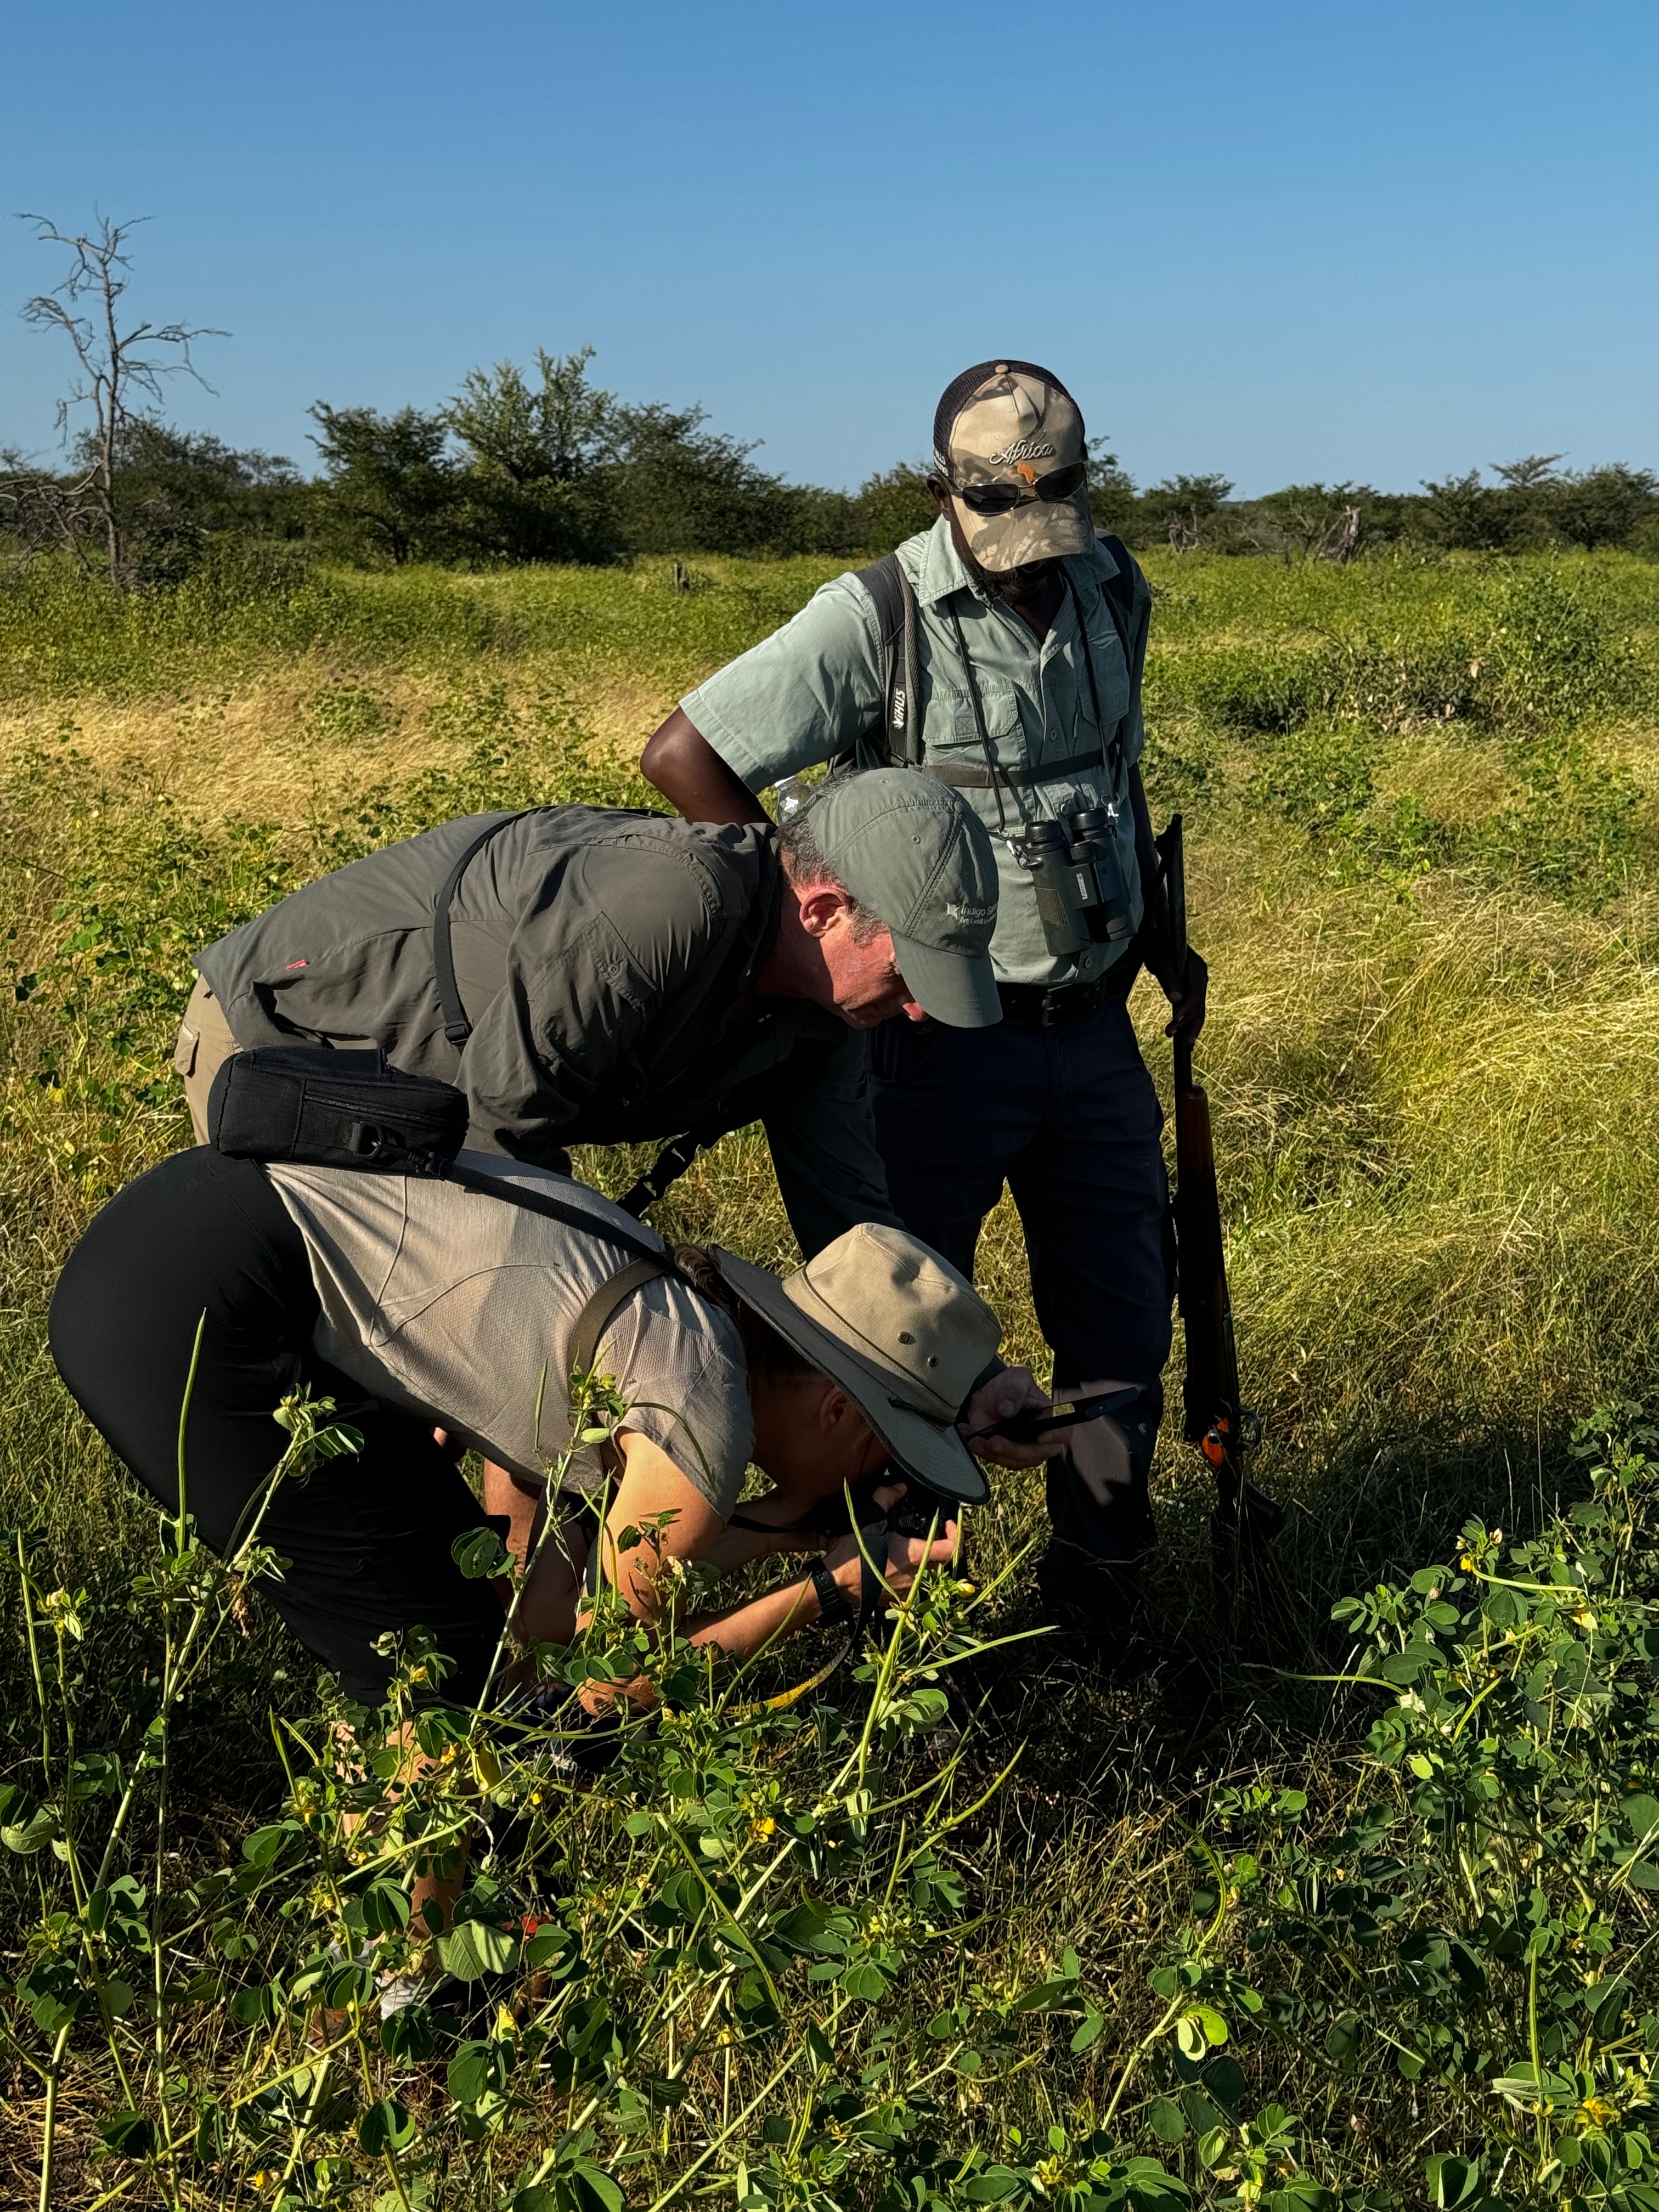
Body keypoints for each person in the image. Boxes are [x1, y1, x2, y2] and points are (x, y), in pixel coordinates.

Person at [642, 360, 1208, 1666]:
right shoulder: (876, 617)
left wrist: (1155, 933)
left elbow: (1114, 776)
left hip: (1095, 1027)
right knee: (894, 1358)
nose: (1030, 554)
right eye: (1000, 515)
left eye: (1051, 514)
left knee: (1123, 1330)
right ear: (941, 491)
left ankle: (1097, 1611)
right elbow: (686, 755)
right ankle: (881, 1634)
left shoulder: (1114, 587)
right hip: (929, 1044)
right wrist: (810, 932)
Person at [48, 1143, 1000, 1718]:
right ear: (836, 1409)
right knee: (435, 1680)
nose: (868, 1478)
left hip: (183, 1226)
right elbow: (599, 1687)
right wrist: (832, 1589)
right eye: (881, 1454)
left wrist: (792, 1523)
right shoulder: (700, 1417)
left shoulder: (683, 1331)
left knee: (447, 1623)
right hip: (195, 1312)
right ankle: (415, 1974)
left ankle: (397, 1933)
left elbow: (543, 1621)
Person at [174, 770, 1000, 1265]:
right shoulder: (669, 907)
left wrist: (958, 1375)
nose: (917, 1010)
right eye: (909, 973)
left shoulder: (831, 1015)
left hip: (436, 1112)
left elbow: (851, 1224)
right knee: (356, 1379)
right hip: (287, 1050)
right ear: (823, 910)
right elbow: (498, 1139)